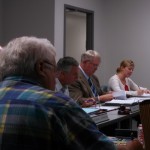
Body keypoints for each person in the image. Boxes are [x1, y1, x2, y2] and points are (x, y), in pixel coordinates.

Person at [0, 36, 143, 150]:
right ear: (41, 68)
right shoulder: (56, 104)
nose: (56, 74)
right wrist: (132, 147)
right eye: (54, 67)